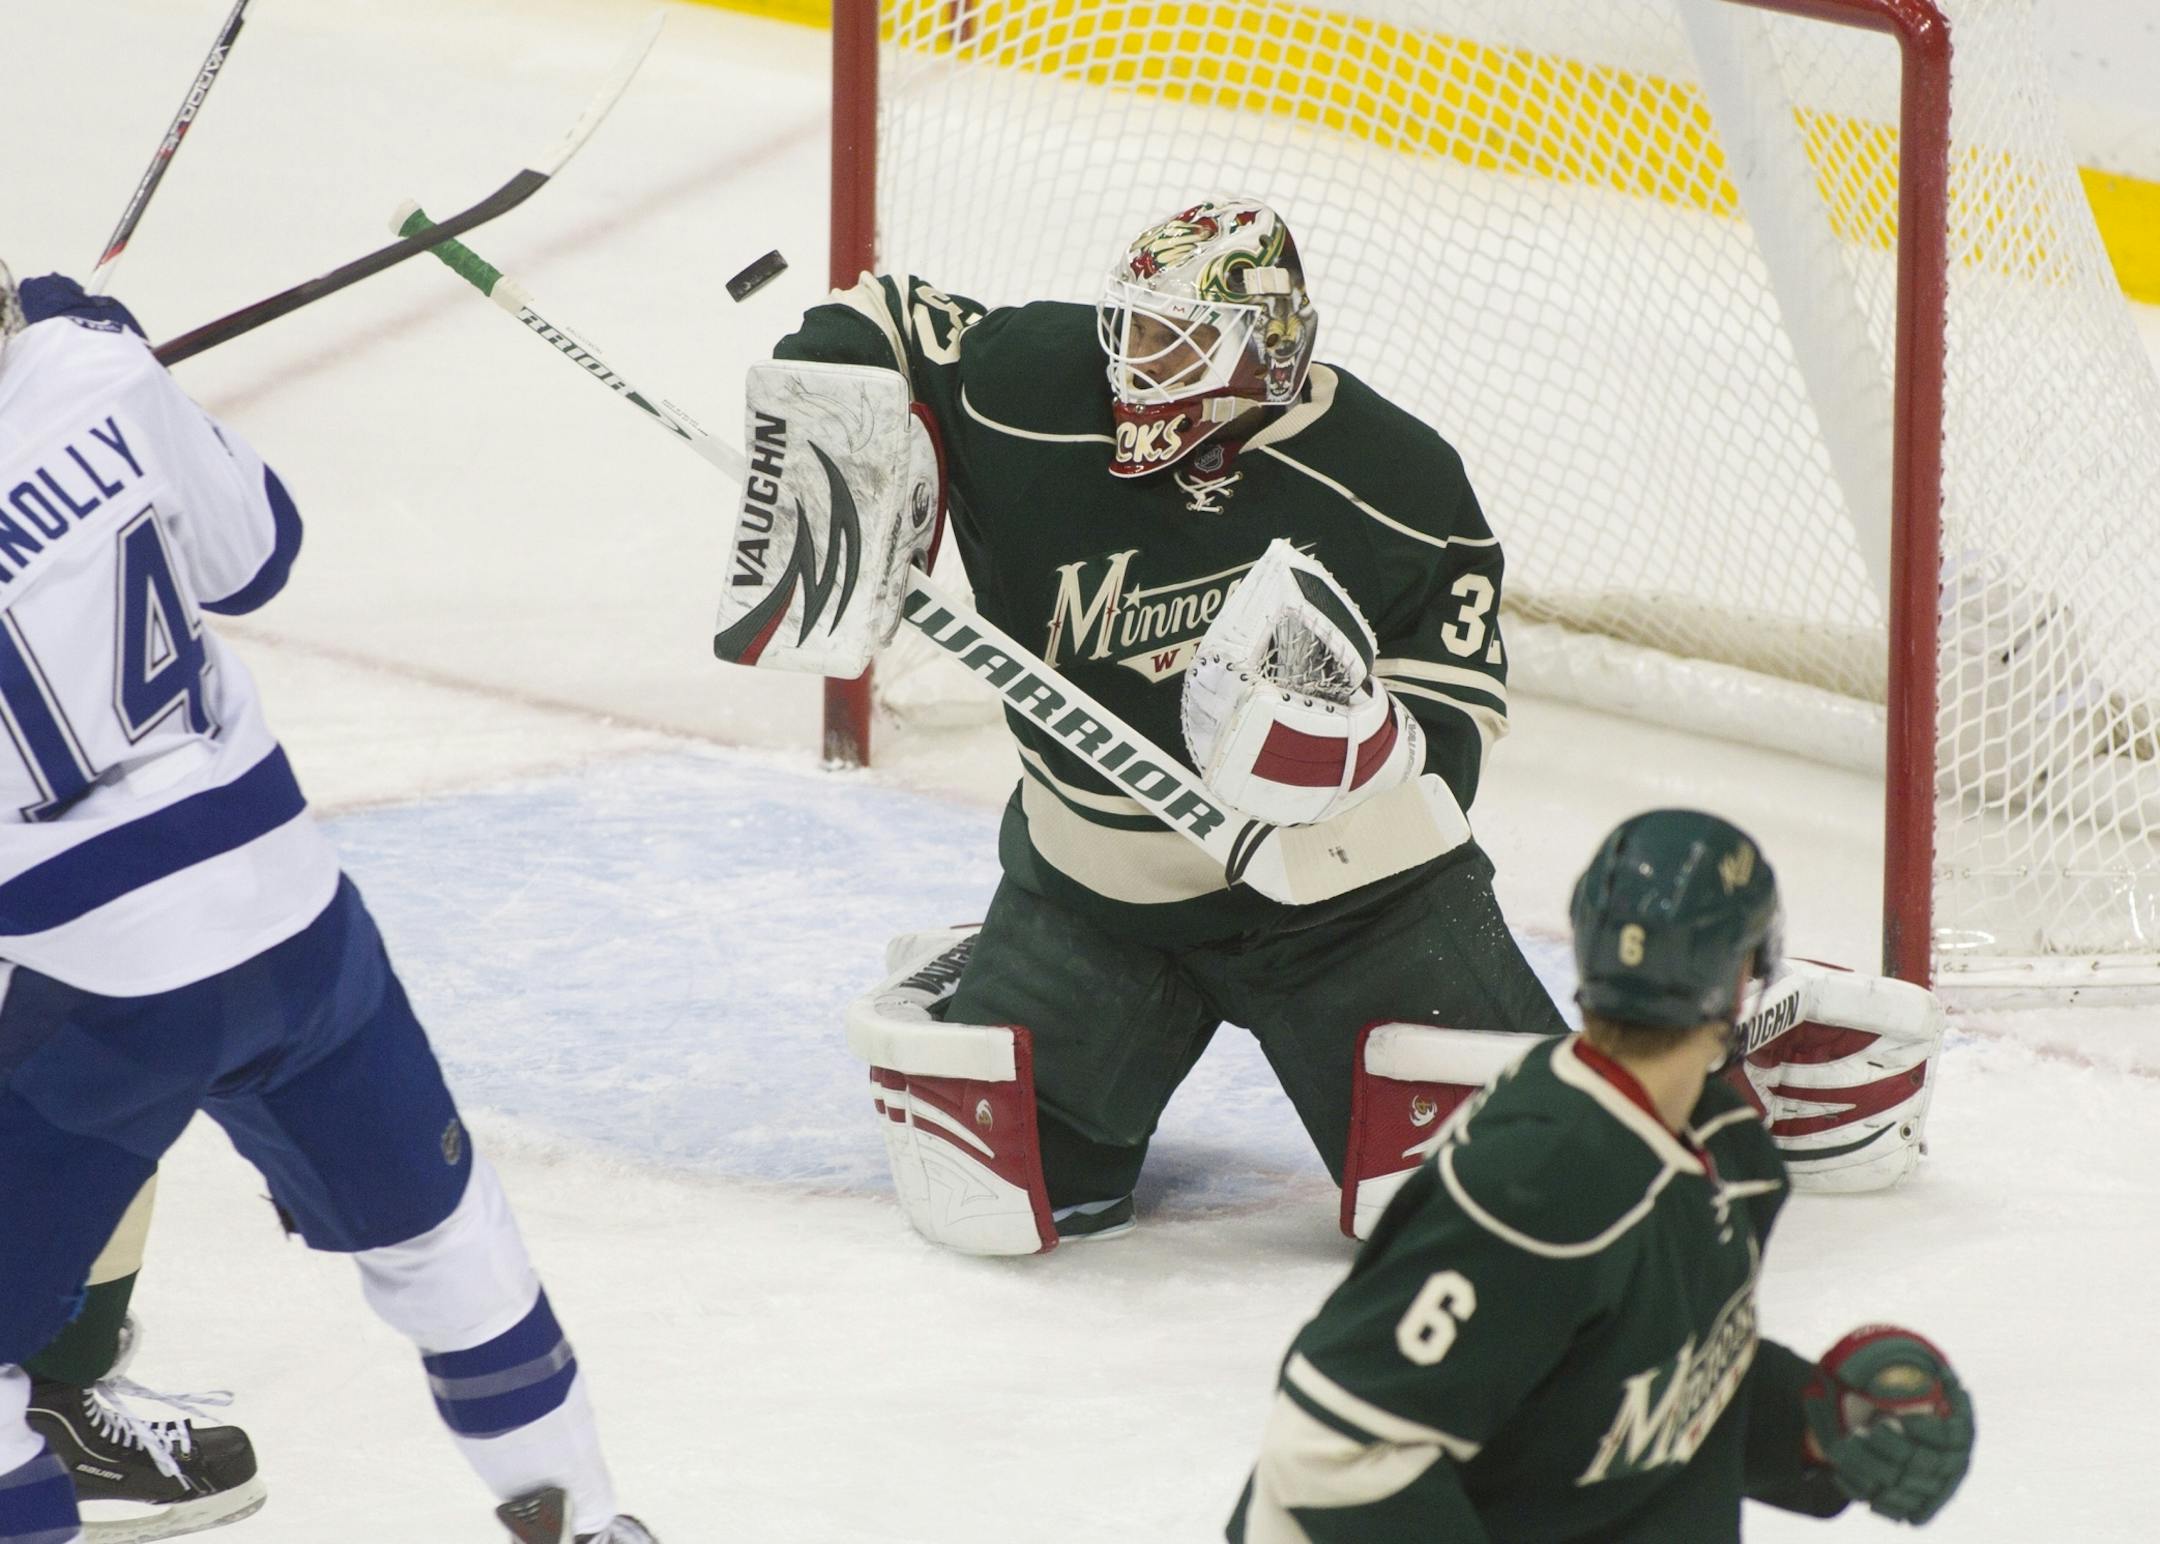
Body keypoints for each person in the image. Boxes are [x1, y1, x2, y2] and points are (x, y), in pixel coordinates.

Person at [723, 196, 1571, 1253]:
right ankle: (1004, 966)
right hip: (1094, 900)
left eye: (1179, 343)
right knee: (995, 1196)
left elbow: (1447, 742)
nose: (1136, 366)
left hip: (1336, 912)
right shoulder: (1033, 382)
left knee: (1517, 1196)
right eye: (1129, 329)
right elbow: (885, 314)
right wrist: (834, 407)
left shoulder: (1402, 481)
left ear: (1269, 346)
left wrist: (1361, 755)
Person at [0, 263, 655, 1544]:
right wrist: (128, 370)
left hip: (103, 988)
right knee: (444, 1246)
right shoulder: (95, 367)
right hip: (302, 927)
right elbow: (257, 556)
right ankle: (589, 1523)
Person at [1226, 810, 1977, 1541]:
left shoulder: (1724, 1145)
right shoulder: (1538, 1182)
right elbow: (1333, 1454)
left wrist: (1810, 1426)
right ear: (1745, 971)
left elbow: (1621, 1394)